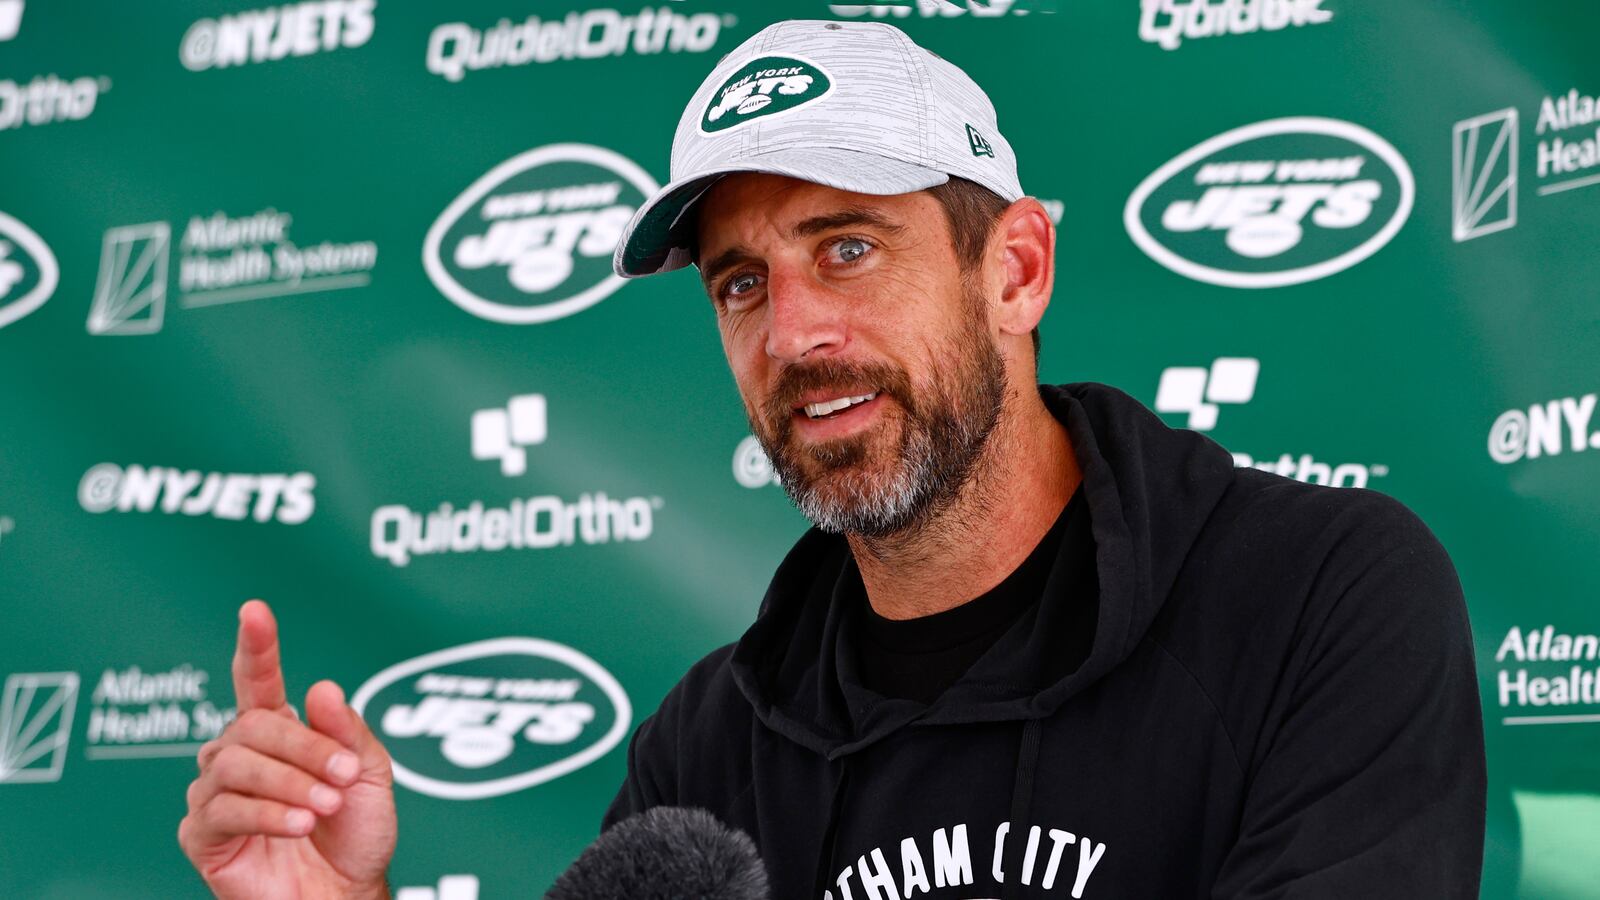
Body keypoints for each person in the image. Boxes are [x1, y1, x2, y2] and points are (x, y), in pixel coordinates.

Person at [179, 18, 1487, 900]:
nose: (793, 333)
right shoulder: (708, 748)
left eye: (848, 248)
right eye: (741, 283)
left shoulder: (1319, 597)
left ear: (1016, 271)